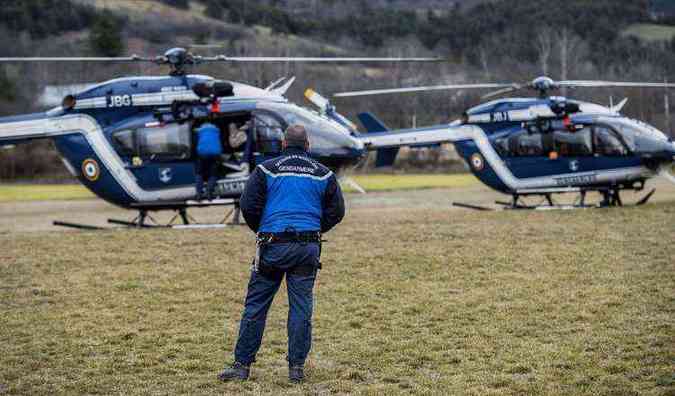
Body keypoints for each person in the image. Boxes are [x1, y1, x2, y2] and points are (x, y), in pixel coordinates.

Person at [218, 124, 345, 383]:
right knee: (301, 308)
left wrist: (263, 230)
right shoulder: (324, 174)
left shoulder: (266, 169)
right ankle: (296, 369)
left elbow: (248, 205)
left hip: (272, 246)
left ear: (283, 145)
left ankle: (241, 366)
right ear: (308, 146)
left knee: (256, 306)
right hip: (307, 248)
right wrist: (313, 230)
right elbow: (337, 211)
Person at [195, 120, 223, 200]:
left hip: (202, 154)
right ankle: (209, 193)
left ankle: (199, 194)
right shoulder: (216, 130)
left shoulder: (200, 130)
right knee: (213, 174)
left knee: (199, 173)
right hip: (215, 154)